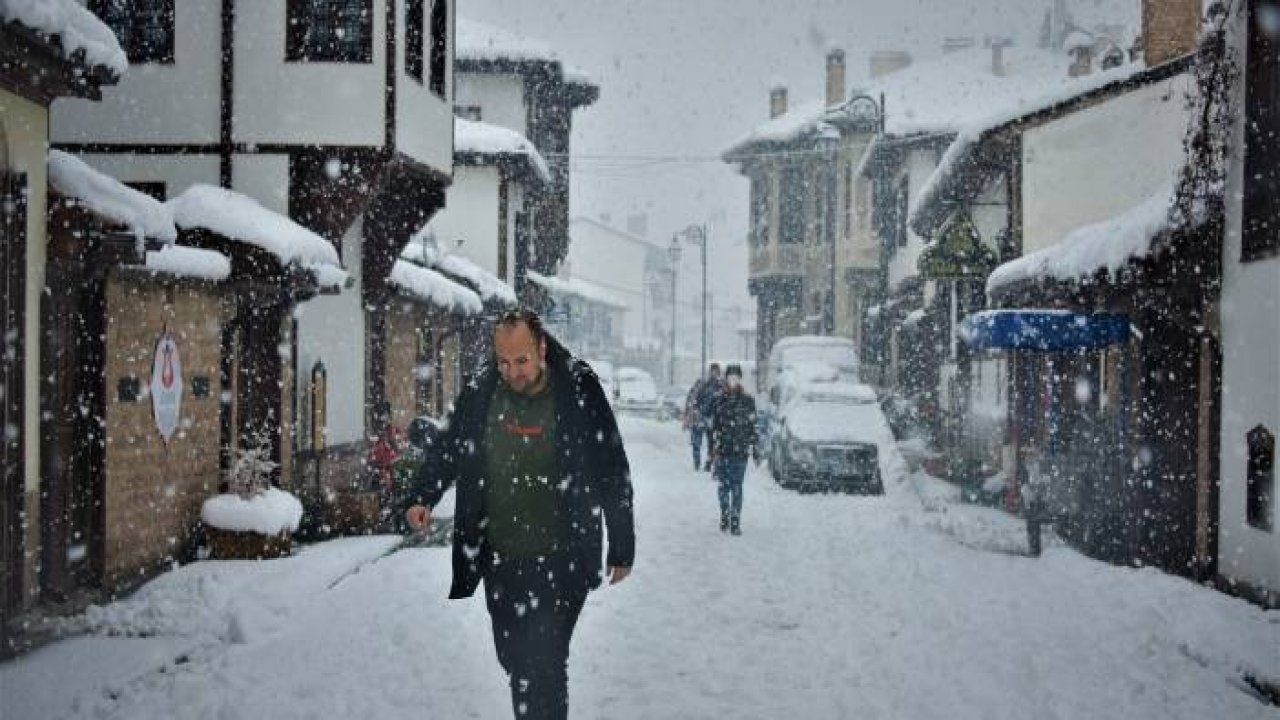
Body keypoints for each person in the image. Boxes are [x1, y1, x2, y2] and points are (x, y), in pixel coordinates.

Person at [403, 309, 634, 720]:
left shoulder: (578, 388)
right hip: (502, 559)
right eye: (504, 362)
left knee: (543, 663)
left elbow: (611, 464)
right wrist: (422, 495)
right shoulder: (482, 389)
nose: (513, 372)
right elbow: (451, 445)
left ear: (541, 347)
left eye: (522, 360)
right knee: (515, 660)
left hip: (562, 557)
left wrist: (622, 543)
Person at [709, 364, 760, 535]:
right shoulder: (719, 400)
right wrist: (712, 451)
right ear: (726, 379)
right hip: (723, 450)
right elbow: (714, 428)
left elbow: (753, 426)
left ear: (740, 379)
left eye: (736, 377)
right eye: (730, 377)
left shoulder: (747, 401)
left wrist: (755, 447)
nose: (733, 380)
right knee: (724, 486)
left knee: (737, 486)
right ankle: (725, 513)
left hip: (740, 451)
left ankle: (735, 520)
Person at [683, 363, 723, 471]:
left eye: (716, 371)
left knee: (711, 443)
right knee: (698, 442)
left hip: (712, 418)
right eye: (713, 371)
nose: (715, 374)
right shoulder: (704, 384)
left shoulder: (720, 386)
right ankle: (698, 462)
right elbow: (693, 399)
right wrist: (693, 413)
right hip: (701, 417)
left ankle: (708, 463)